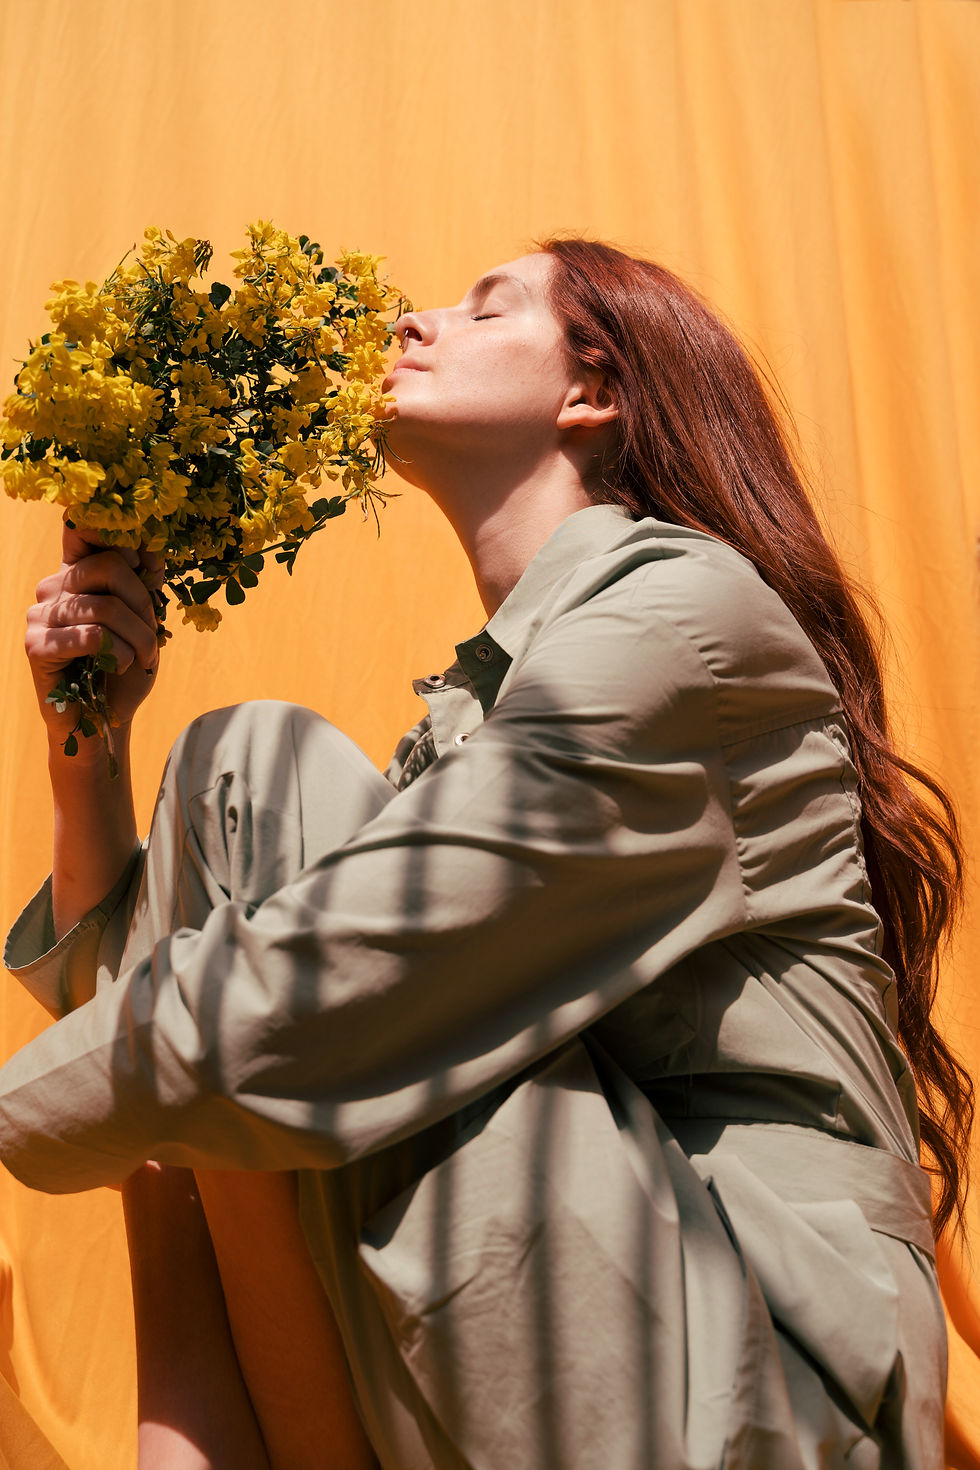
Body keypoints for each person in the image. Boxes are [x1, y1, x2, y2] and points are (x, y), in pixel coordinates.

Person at [0, 237, 971, 1470]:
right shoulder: (475, 714)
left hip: (755, 1373)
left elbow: (329, 979)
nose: (409, 321)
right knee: (232, 792)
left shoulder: (684, 621)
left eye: (481, 307)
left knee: (270, 796)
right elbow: (146, 1027)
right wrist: (88, 744)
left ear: (591, 392)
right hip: (572, 1310)